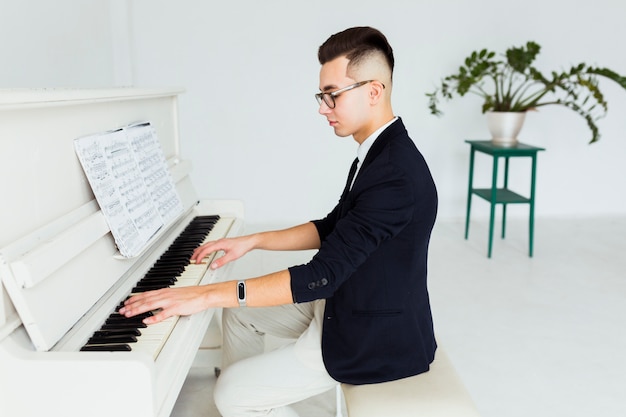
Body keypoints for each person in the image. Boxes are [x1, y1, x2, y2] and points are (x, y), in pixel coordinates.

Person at [120, 26, 438, 416]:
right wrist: (253, 241)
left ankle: (245, 402)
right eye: (321, 96)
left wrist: (202, 295)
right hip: (351, 304)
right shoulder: (379, 152)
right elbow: (333, 225)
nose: (323, 107)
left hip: (371, 337)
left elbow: (320, 277)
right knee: (238, 315)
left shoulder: (394, 174)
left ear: (374, 92)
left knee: (229, 395)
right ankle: (257, 400)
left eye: (332, 95)